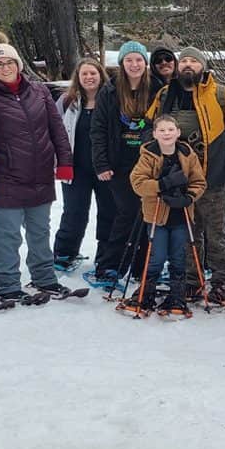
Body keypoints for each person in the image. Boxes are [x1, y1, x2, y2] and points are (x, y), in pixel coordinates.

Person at [145, 47, 225, 303]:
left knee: (215, 230)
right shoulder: (164, 95)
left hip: (212, 178)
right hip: (177, 177)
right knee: (187, 230)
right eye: (184, 61)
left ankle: (220, 280)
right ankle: (193, 280)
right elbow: (150, 128)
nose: (188, 65)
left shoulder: (223, 95)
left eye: (194, 61)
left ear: (203, 67)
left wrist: (224, 166)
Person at [0, 33, 73, 307]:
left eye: (9, 62)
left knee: (40, 230)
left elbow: (57, 129)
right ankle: (7, 285)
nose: (5, 68)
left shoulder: (39, 91)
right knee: (7, 235)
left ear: (18, 64)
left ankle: (44, 278)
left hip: (40, 174)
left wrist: (64, 162)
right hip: (5, 177)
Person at [88, 41, 155, 289]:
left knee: (147, 214)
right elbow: (98, 129)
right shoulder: (110, 91)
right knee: (126, 212)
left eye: (138, 60)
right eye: (129, 60)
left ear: (145, 63)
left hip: (148, 164)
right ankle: (110, 265)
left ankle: (141, 265)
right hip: (118, 164)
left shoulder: (157, 88)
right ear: (122, 63)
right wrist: (101, 163)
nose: (134, 65)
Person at [125, 115, 207, 316]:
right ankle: (145, 293)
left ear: (178, 132)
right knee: (157, 257)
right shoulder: (148, 155)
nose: (167, 134)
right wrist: (162, 185)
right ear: (154, 134)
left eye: (171, 129)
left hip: (181, 215)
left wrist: (189, 197)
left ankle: (177, 295)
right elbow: (137, 183)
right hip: (157, 216)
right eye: (162, 130)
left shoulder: (187, 154)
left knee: (179, 257)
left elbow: (199, 182)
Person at [53, 58, 114, 272]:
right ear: (77, 78)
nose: (89, 77)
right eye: (84, 74)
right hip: (76, 167)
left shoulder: (112, 99)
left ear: (101, 75)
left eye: (93, 73)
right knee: (74, 212)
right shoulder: (67, 101)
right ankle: (64, 253)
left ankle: (107, 258)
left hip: (105, 168)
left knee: (109, 212)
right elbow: (54, 132)